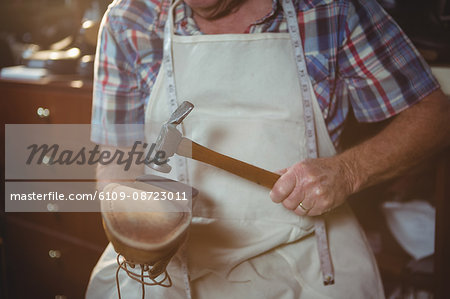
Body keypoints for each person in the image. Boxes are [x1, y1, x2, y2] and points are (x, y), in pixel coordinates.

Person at [86, 0, 450, 298]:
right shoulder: (128, 18)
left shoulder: (330, 9)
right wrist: (130, 219)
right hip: (169, 258)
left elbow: (435, 116)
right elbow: (115, 154)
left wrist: (348, 172)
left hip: (305, 251)